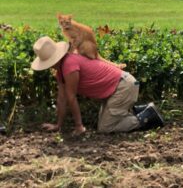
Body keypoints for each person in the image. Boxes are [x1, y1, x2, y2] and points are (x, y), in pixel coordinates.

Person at [31, 36, 164, 135]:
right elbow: (62, 98)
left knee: (105, 128)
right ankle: (136, 110)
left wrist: (79, 127)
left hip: (123, 86)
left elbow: (71, 97)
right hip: (117, 88)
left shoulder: (69, 65)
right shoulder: (61, 71)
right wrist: (57, 125)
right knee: (105, 122)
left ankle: (148, 116)